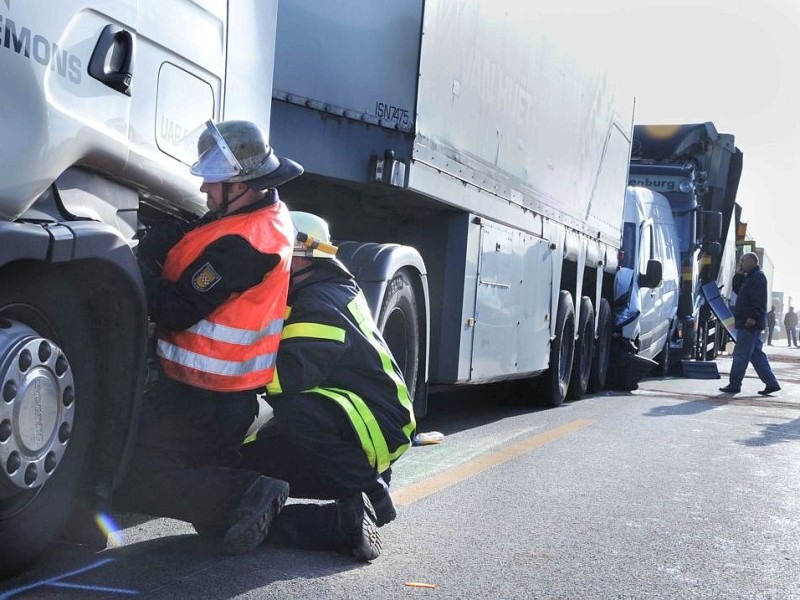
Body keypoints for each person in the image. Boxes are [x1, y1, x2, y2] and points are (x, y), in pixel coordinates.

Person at [115, 120, 303, 555]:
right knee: (215, 519)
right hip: (212, 394)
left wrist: (132, 267)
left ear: (241, 184)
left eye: (212, 182)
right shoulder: (254, 213)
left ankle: (249, 491)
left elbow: (177, 310)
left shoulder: (247, 245)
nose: (203, 188)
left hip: (208, 398)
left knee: (140, 480)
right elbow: (202, 239)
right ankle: (336, 524)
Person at [236, 212, 416, 561]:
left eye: (276, 251)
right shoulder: (317, 290)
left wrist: (219, 377)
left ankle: (369, 490)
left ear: (303, 255)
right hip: (350, 425)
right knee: (244, 473)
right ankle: (344, 523)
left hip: (374, 427)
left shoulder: (319, 302)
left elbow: (289, 376)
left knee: (293, 405)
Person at [719, 252, 780, 396]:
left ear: (753, 261)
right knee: (756, 355)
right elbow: (737, 289)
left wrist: (753, 317)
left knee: (741, 354)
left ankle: (734, 384)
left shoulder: (758, 277)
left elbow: (759, 299)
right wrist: (739, 273)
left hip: (750, 323)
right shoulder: (750, 277)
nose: (742, 264)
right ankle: (772, 384)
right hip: (748, 323)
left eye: (744, 261)